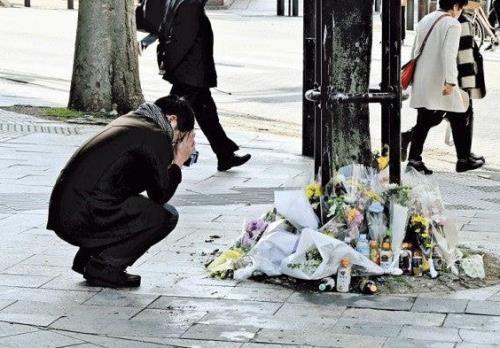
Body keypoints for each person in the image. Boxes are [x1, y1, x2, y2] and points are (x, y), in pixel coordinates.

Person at [46, 96, 196, 288]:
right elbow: (160, 196)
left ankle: (89, 260)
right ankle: (104, 267)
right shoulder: (157, 135)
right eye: (180, 136)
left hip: (68, 210)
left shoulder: (134, 121)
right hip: (81, 216)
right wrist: (177, 162)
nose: (176, 143)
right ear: (172, 120)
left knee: (134, 206)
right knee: (166, 215)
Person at [156, 0, 251, 172]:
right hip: (190, 74)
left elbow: (164, 32)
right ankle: (154, 154)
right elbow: (182, 41)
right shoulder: (191, 4)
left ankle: (225, 155)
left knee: (207, 114)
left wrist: (166, 63)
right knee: (172, 115)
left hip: (192, 74)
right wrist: (169, 64)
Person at [402, 0, 484, 175]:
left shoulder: (426, 19)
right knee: (461, 112)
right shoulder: (452, 24)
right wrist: (451, 82)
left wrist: (413, 79)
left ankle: (414, 159)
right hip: (439, 82)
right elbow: (449, 55)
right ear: (455, 6)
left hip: (423, 79)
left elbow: (415, 51)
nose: (460, 12)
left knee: (424, 119)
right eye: (461, 8)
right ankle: (463, 160)